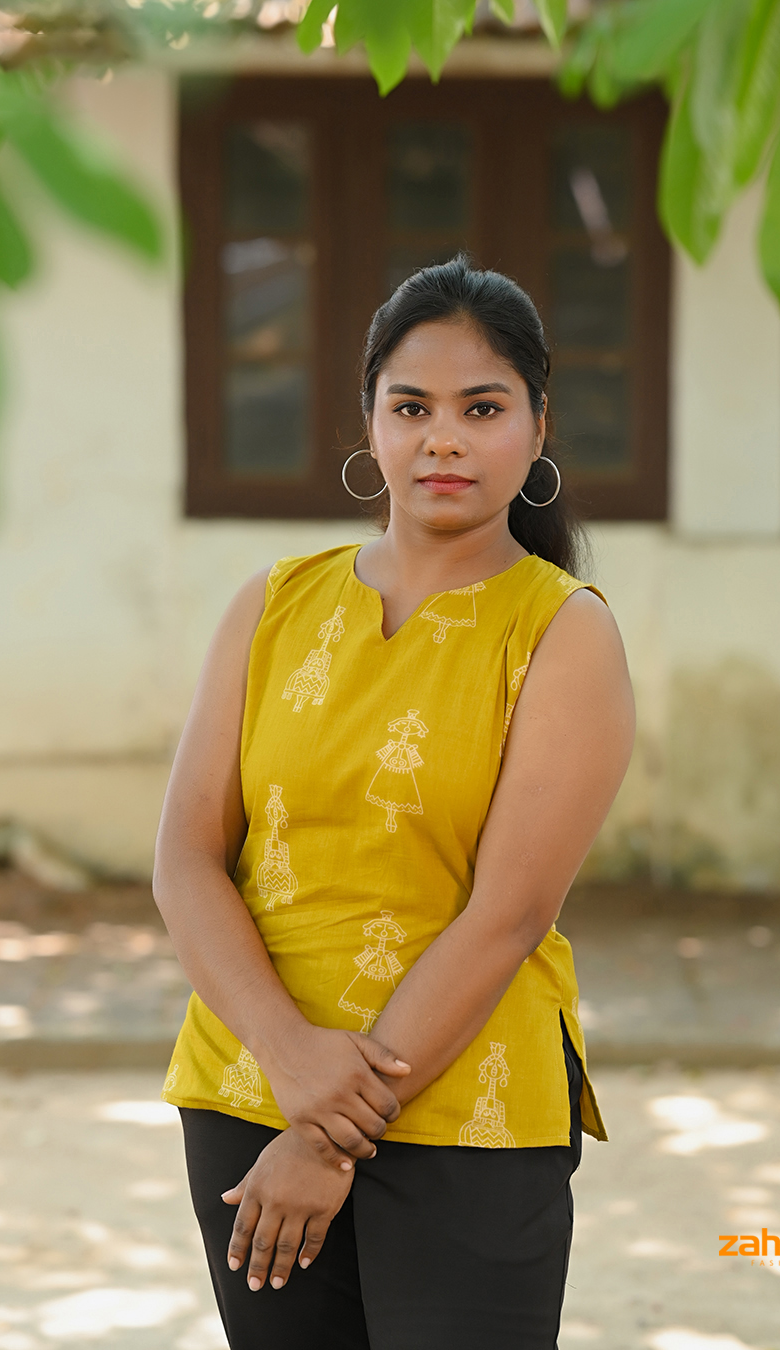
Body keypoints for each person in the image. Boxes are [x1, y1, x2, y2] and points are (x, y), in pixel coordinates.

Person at [154, 254, 636, 1350]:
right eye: (411, 407)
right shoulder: (272, 606)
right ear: (369, 421)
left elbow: (507, 916)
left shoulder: (563, 633)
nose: (444, 439)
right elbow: (186, 858)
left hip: (468, 1105)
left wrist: (325, 1137)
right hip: (245, 1095)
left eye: (483, 408)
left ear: (538, 424)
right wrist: (287, 1059)